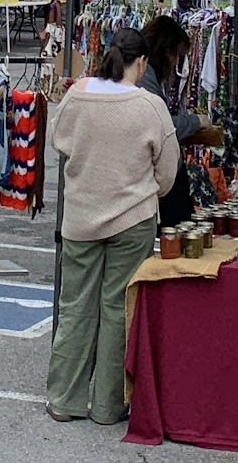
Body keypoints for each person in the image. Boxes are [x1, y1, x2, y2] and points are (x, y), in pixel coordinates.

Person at [46, 27, 178, 425]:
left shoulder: (76, 96)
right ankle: (108, 404)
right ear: (141, 62)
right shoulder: (151, 106)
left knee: (75, 307)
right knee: (119, 308)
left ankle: (64, 398)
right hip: (132, 217)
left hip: (81, 216)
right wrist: (143, 192)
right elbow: (168, 171)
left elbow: (60, 142)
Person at [139, 15, 222, 224]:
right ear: (167, 51)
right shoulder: (144, 77)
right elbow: (162, 126)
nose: (177, 64)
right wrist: (195, 121)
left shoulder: (145, 74)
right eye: (177, 56)